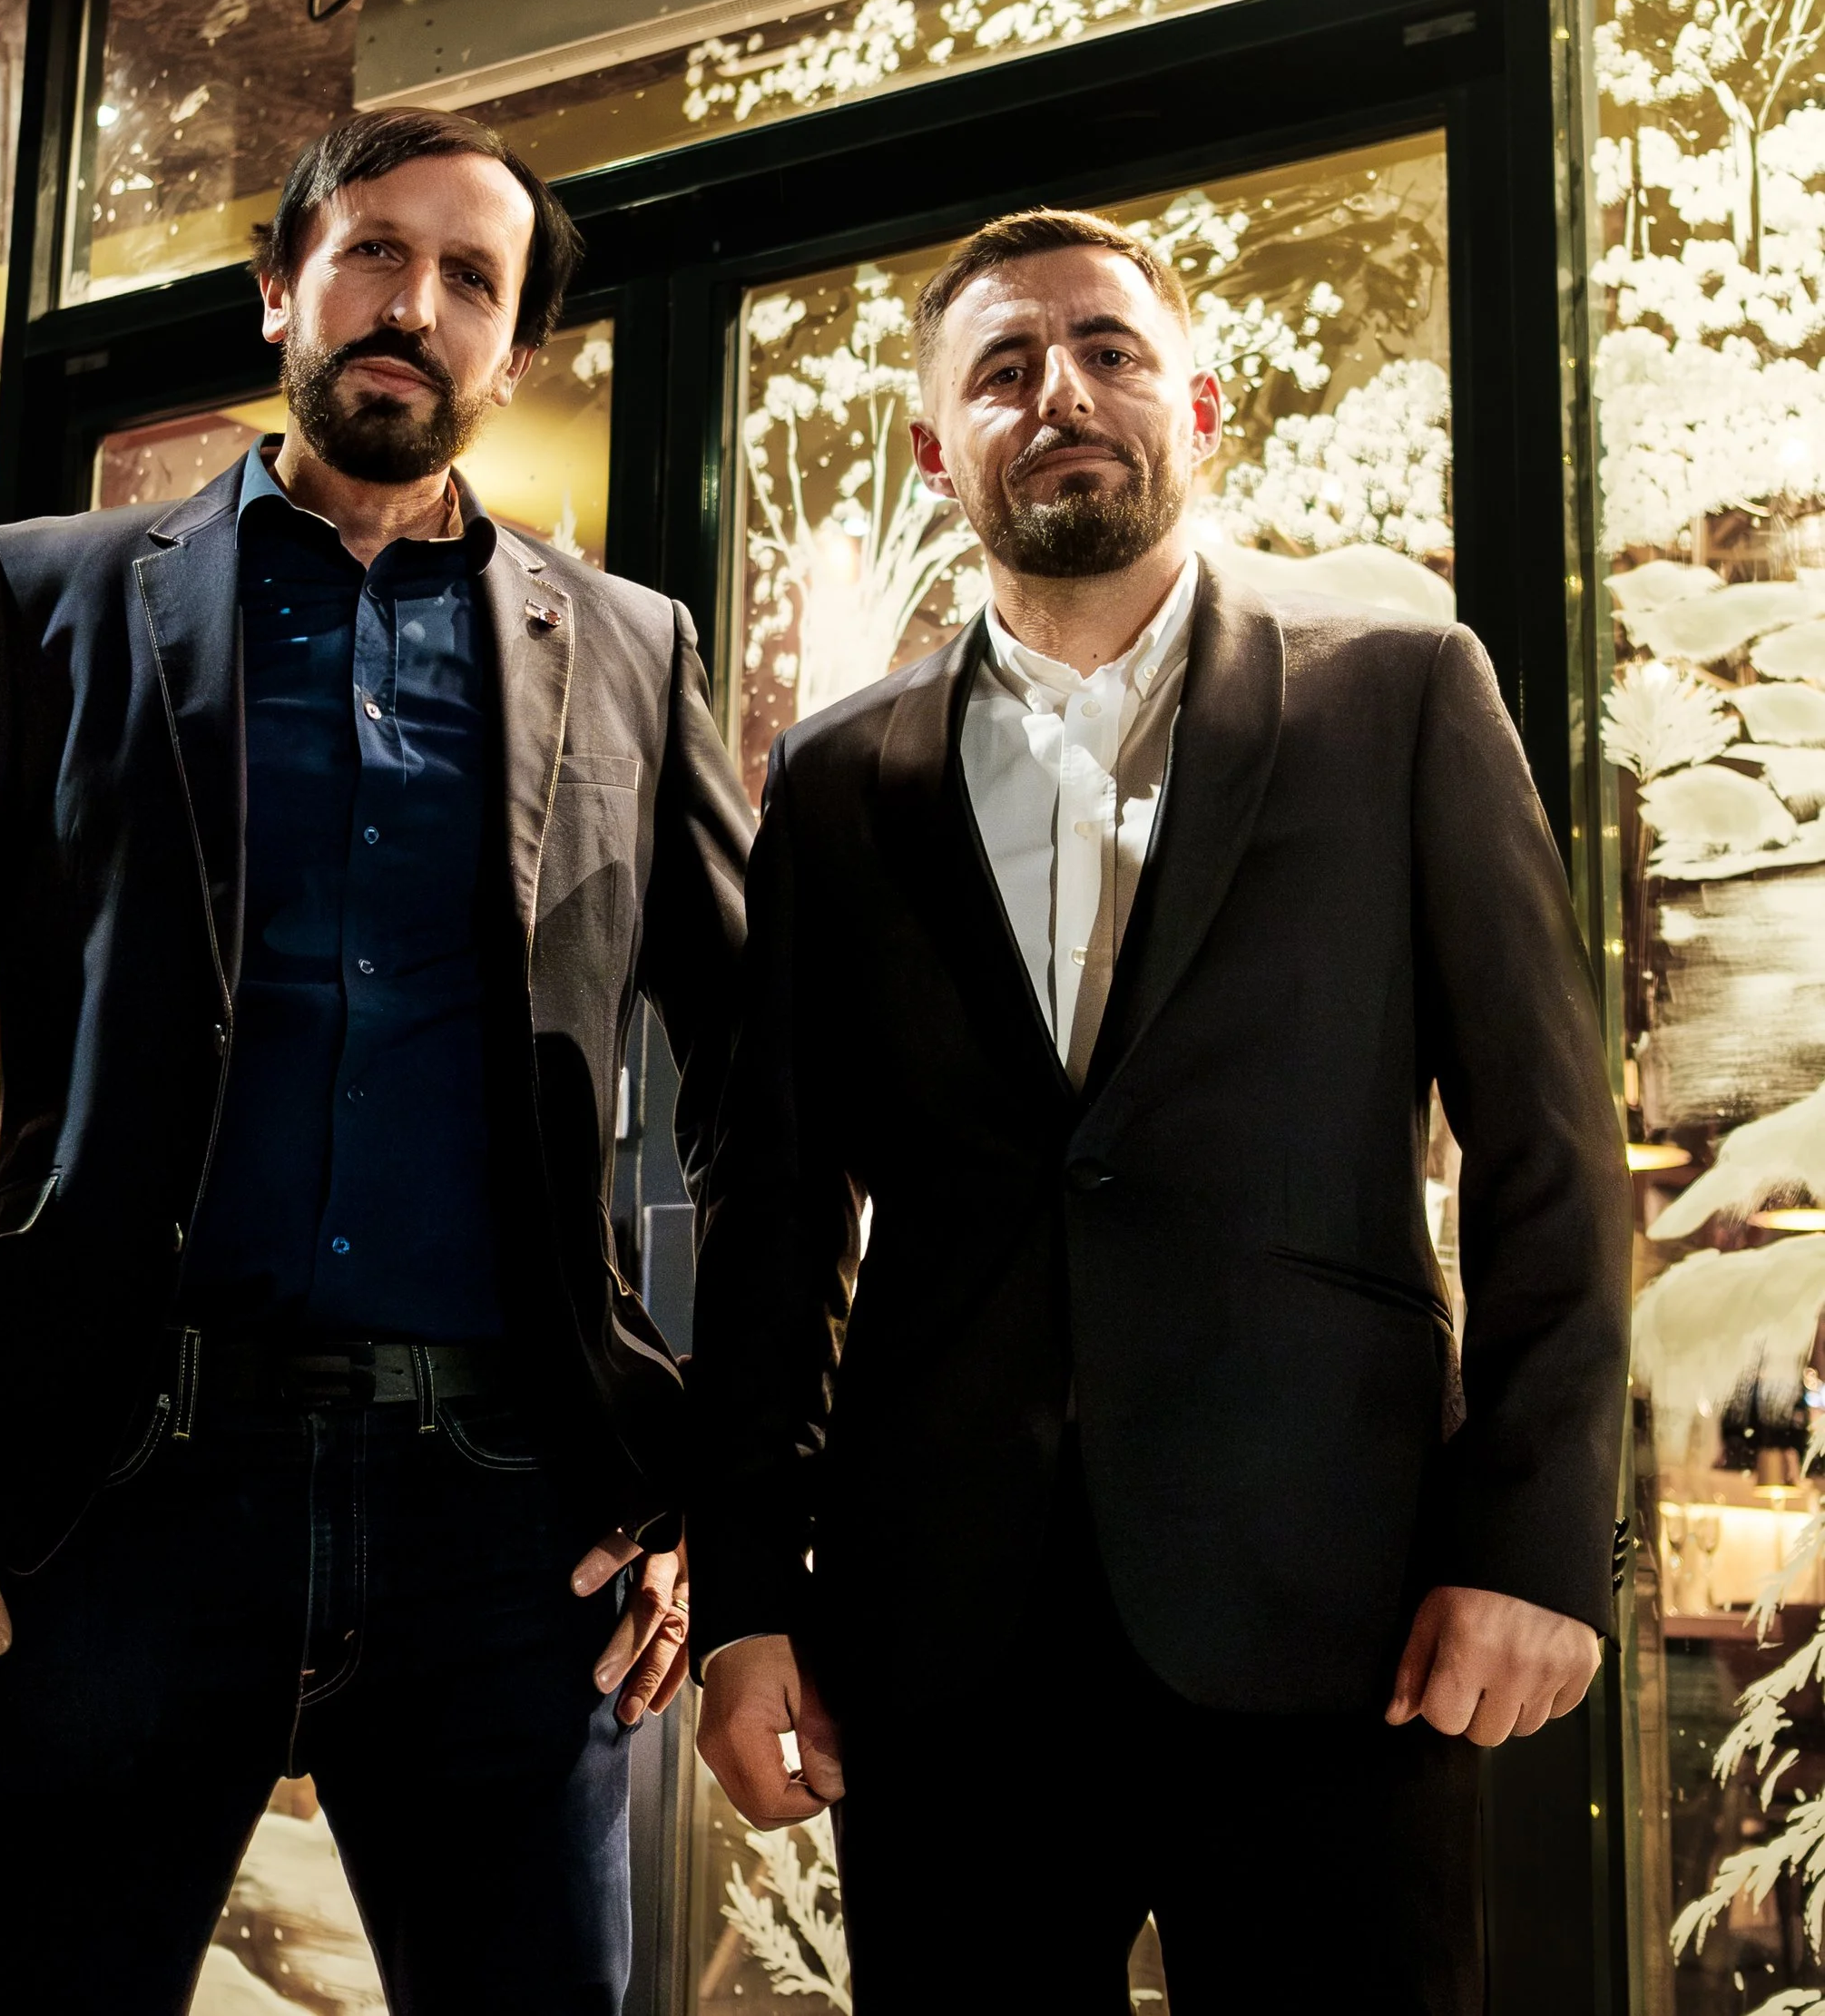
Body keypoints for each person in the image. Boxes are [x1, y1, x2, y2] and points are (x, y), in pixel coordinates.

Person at [0, 109, 751, 2016]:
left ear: (510, 352)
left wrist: (721, 1479)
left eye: (470, 278)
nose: (413, 305)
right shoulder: (47, 601)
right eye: (372, 252)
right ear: (279, 290)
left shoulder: (630, 652)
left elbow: (768, 1086)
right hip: (113, 1494)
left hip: (509, 1526)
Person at [689, 207, 1629, 2014]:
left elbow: (1548, 1154)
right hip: (943, 1646)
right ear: (930, 443)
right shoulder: (828, 784)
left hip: (1336, 1622)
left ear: (1194, 401)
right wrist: (744, 1597)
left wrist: (1531, 1549)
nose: (1062, 394)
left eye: (1107, 352)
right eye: (1002, 369)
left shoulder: (1403, 696)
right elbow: (771, 1217)